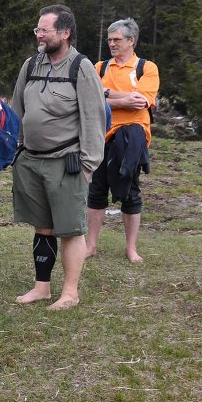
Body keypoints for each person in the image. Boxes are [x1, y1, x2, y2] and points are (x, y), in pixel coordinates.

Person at [9, 4, 106, 310]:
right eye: (37, 29)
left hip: (67, 162)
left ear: (65, 33)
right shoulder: (31, 65)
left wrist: (89, 166)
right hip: (31, 160)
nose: (39, 35)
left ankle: (70, 292)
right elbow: (17, 110)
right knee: (42, 226)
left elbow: (94, 118)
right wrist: (17, 149)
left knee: (70, 230)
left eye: (45, 30)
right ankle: (42, 287)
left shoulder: (81, 67)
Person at [86, 18, 159, 263]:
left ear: (131, 41)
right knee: (96, 189)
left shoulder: (146, 68)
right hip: (101, 134)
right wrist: (121, 99)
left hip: (131, 137)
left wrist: (106, 96)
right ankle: (90, 246)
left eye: (117, 39)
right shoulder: (100, 67)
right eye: (109, 40)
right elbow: (90, 100)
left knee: (130, 190)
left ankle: (131, 248)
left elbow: (141, 101)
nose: (112, 44)